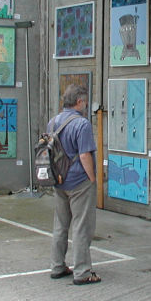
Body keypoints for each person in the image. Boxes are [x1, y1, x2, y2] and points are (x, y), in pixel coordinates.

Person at [49, 84, 101, 285]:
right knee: (81, 226)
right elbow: (84, 154)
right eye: (85, 102)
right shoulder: (82, 124)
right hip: (79, 181)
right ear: (79, 102)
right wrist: (92, 179)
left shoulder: (53, 122)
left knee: (60, 225)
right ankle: (82, 272)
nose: (86, 105)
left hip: (59, 180)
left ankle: (57, 266)